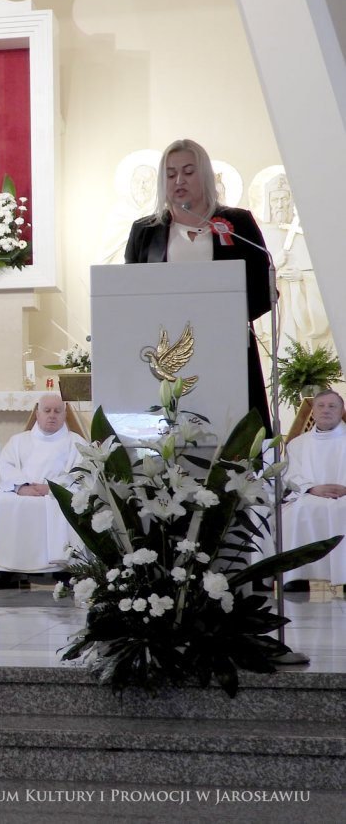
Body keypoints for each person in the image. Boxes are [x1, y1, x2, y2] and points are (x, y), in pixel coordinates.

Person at [124, 138, 274, 435]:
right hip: (168, 354)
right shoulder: (145, 231)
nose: (179, 180)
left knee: (234, 437)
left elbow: (263, 290)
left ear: (204, 175)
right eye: (170, 174)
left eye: (189, 171)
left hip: (228, 349)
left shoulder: (237, 223)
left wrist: (224, 314)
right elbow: (131, 295)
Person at [0, 394, 83, 589]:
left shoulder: (75, 443)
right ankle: (3, 570)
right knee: (2, 503)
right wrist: (21, 487)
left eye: (57, 411)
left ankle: (66, 569)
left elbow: (81, 473)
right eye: (47, 411)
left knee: (65, 505)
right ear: (37, 414)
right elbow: (6, 466)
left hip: (56, 494)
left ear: (65, 414)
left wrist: (52, 488)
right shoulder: (18, 441)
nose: (52, 415)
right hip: (23, 491)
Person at [280, 389, 346, 588]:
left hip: (344, 496)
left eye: (332, 406)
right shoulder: (298, 444)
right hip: (309, 495)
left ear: (342, 411)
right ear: (314, 412)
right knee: (295, 512)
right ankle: (296, 576)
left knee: (341, 509)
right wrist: (311, 489)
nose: (326, 410)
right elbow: (290, 474)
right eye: (321, 406)